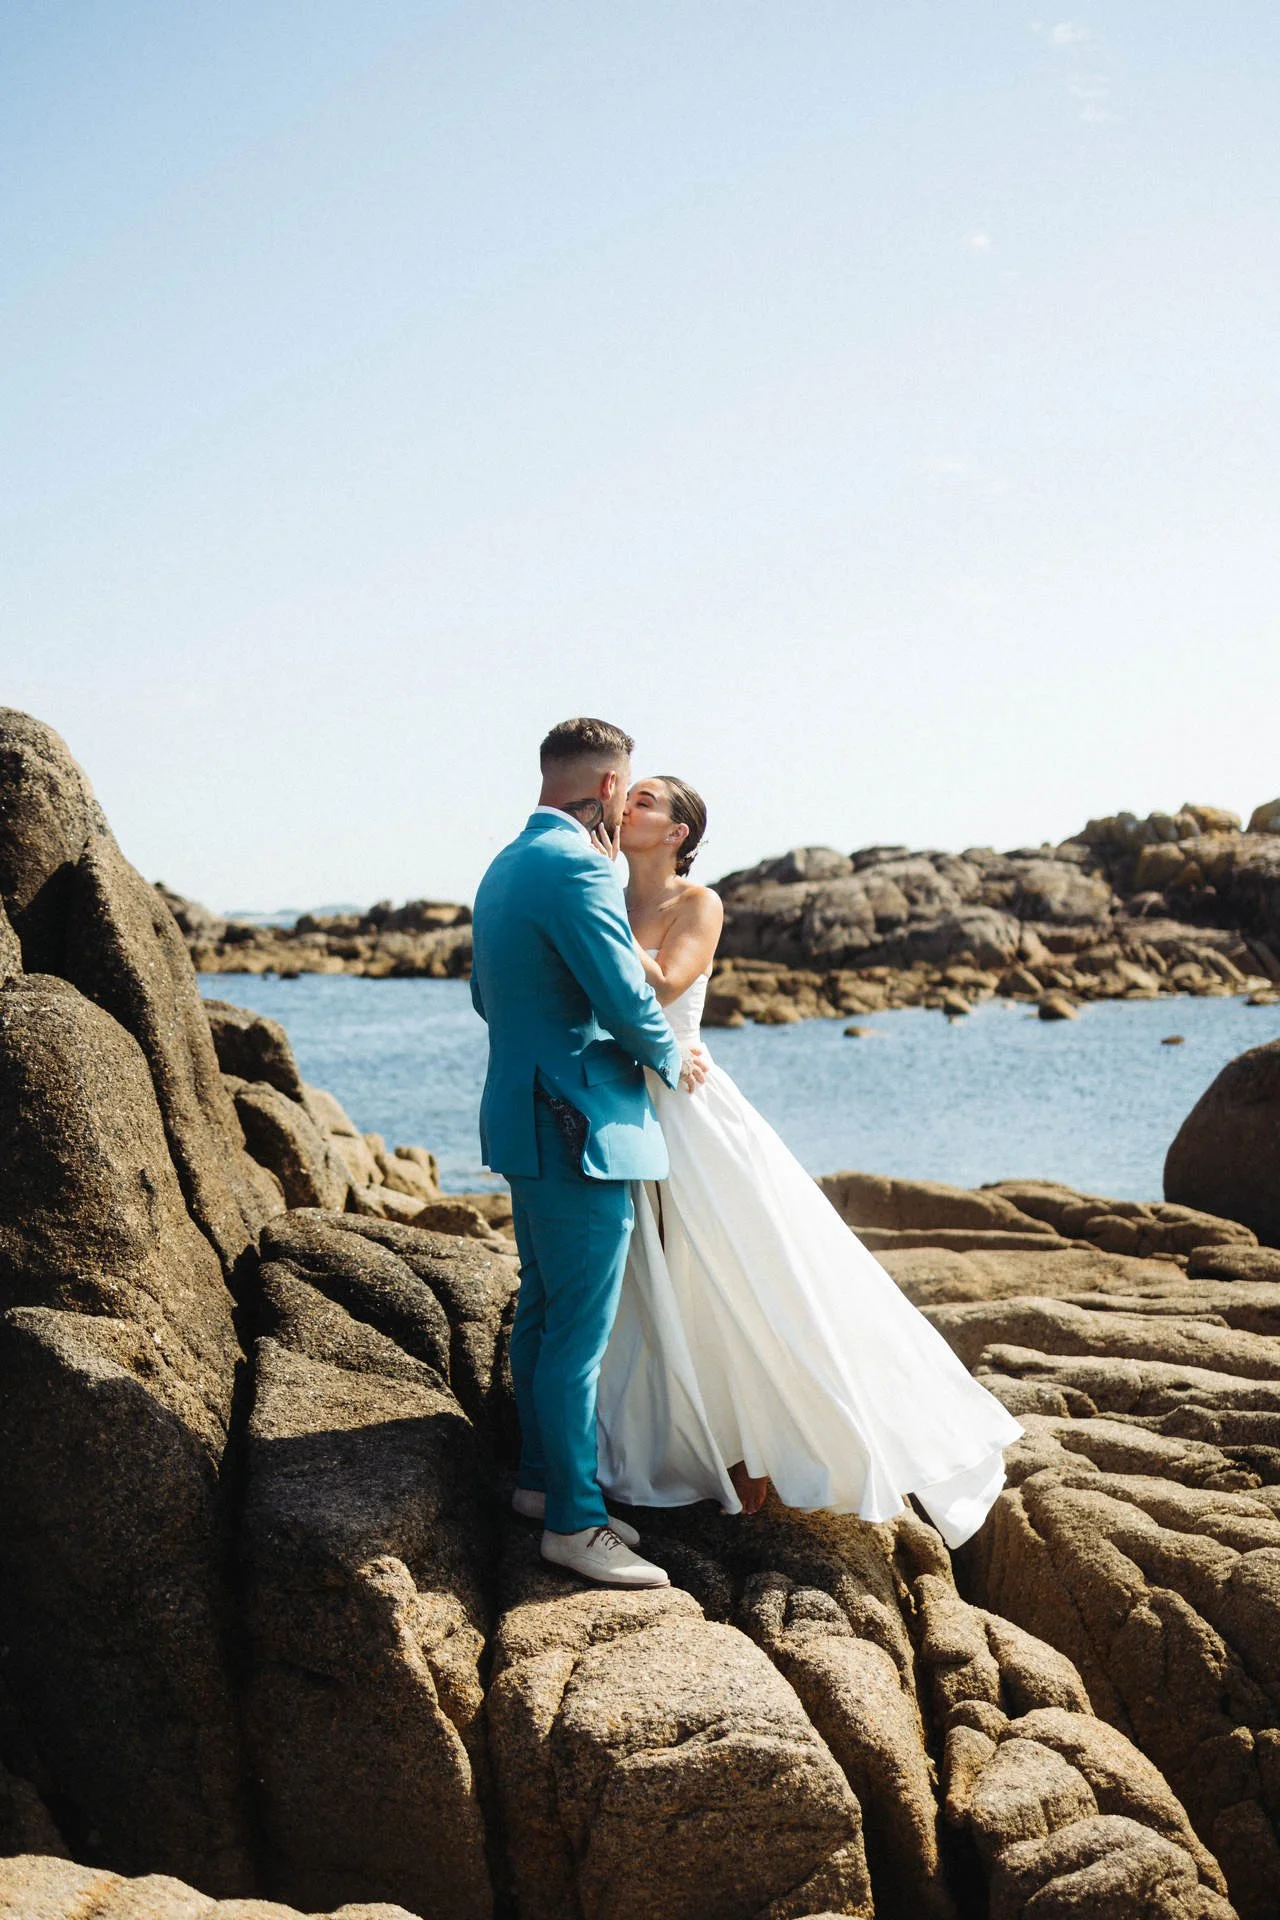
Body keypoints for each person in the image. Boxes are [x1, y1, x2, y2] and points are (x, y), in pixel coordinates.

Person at [595, 774, 1023, 1545]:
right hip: (616, 1099)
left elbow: (665, 983)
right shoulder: (603, 894)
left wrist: (584, 921)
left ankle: (756, 1445)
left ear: (678, 833)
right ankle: (676, 1445)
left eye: (648, 800)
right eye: (632, 794)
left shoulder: (699, 904)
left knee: (736, 1274)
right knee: (642, 1279)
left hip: (686, 1102)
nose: (629, 803)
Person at [469, 719, 706, 1589]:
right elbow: (621, 993)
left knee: (541, 1314)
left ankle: (540, 1482)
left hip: (521, 1117)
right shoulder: (574, 864)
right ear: (609, 787)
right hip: (576, 1126)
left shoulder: (505, 863)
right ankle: (573, 1522)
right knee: (578, 1334)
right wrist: (674, 1061)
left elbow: (484, 996)